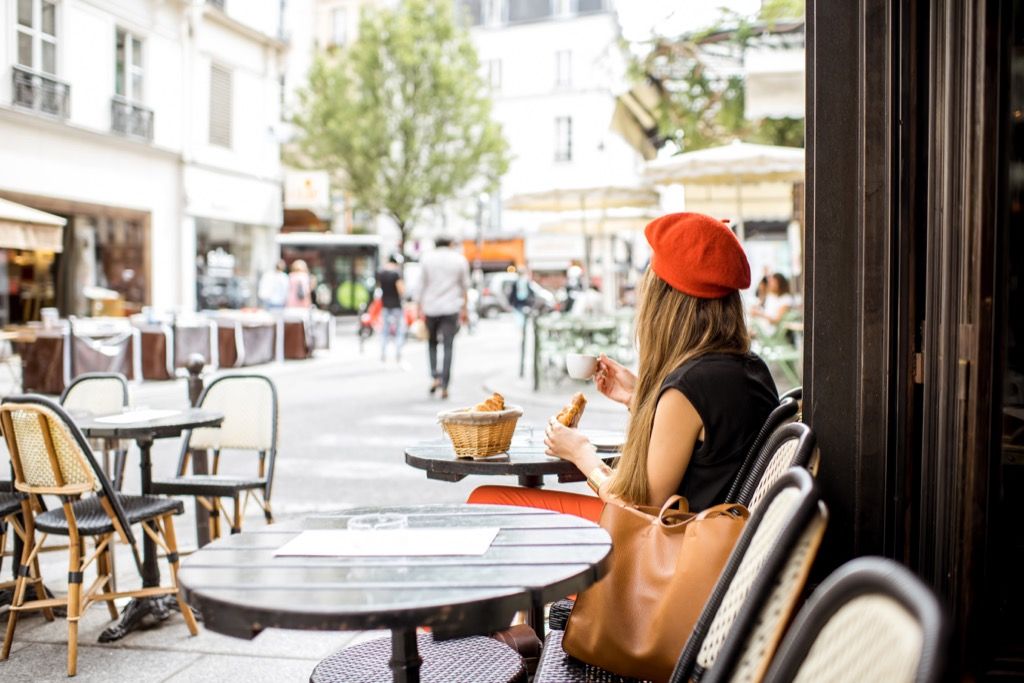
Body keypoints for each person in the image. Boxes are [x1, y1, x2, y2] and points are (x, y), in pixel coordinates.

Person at [468, 212, 779, 520]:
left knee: (487, 500)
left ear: (666, 303)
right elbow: (712, 452)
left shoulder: (689, 389)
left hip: (673, 549)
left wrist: (580, 452)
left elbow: (638, 509)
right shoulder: (751, 369)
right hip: (717, 540)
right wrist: (639, 397)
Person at [417, 236, 470, 399]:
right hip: (451, 308)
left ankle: (435, 377)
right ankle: (445, 385)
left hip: (431, 308)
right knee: (448, 346)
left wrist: (419, 307)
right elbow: (464, 286)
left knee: (431, 343)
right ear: (450, 244)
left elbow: (421, 285)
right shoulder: (459, 260)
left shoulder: (426, 259)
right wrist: (465, 309)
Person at [377, 254, 406, 363]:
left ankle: (383, 352)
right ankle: (398, 352)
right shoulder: (396, 273)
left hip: (385, 304)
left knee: (384, 329)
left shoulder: (381, 272)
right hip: (396, 305)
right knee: (399, 329)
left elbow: (379, 287)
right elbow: (401, 290)